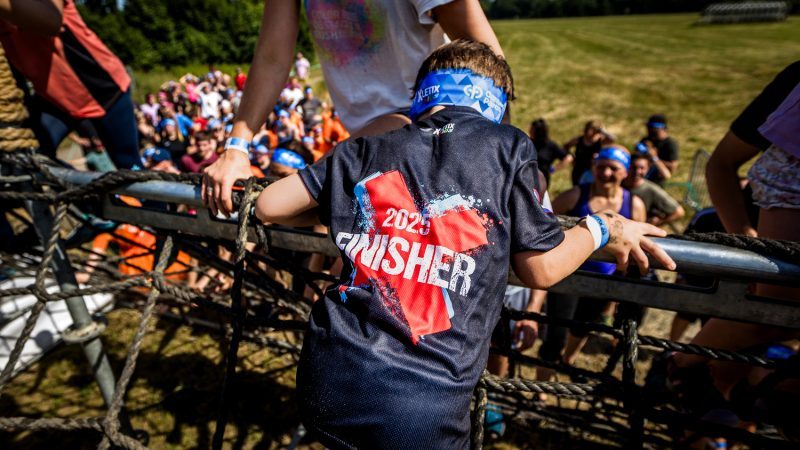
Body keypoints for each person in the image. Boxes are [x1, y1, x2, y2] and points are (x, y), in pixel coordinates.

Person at [253, 40, 673, 449]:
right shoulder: (508, 146)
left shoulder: (371, 145)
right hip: (424, 401)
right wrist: (605, 226)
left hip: (327, 373)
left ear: (420, 95)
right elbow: (541, 268)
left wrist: (349, 193)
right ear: (498, 103)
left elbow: (270, 205)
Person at [202, 0, 507, 217]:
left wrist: (497, 163)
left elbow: (489, 65)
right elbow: (272, 56)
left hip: (427, 133)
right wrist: (236, 148)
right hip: (365, 147)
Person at [0, 0, 141, 169]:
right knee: (26, 159)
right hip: (53, 98)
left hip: (103, 90)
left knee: (130, 168)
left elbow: (52, 21)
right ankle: (75, 185)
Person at [623, 152, 685, 226]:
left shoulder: (651, 190)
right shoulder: (618, 182)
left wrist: (657, 223)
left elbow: (679, 212)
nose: (637, 171)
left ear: (648, 169)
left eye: (642, 168)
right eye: (634, 167)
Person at [563, 120, 614, 186]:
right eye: (588, 129)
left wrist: (603, 131)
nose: (589, 132)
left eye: (592, 130)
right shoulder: (579, 140)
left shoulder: (601, 140)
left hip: (593, 169)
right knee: (577, 187)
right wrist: (571, 157)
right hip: (579, 168)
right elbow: (565, 147)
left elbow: (612, 139)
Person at [639, 114, 679, 186]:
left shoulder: (670, 144)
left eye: (651, 128)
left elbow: (673, 167)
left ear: (660, 128)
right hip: (641, 178)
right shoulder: (646, 140)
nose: (648, 130)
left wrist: (654, 157)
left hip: (657, 182)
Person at [530, 118, 571, 186]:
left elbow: (568, 157)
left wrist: (554, 169)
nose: (530, 131)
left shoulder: (549, 146)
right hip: (527, 179)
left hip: (542, 181)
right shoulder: (528, 142)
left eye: (532, 129)